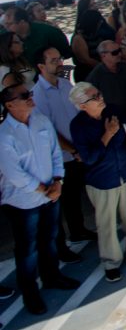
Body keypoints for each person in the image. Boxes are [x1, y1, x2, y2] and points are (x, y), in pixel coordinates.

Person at [0, 83, 82, 314]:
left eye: (30, 94)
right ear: (9, 105)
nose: (30, 98)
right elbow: (14, 173)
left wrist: (58, 180)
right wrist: (44, 189)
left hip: (50, 194)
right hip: (23, 202)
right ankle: (30, 293)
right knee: (27, 249)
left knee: (50, 239)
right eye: (24, 96)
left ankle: (52, 276)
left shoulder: (41, 121)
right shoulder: (4, 135)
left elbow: (56, 153)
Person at [68, 83, 126, 281]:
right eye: (94, 97)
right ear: (82, 106)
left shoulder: (113, 111)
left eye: (99, 93)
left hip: (125, 173)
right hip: (101, 181)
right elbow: (89, 158)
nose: (100, 98)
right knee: (106, 223)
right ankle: (111, 261)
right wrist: (107, 134)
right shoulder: (78, 126)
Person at [33, 47, 95, 252]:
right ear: (41, 66)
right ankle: (60, 246)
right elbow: (48, 130)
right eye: (53, 60)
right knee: (58, 203)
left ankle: (78, 231)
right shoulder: (39, 94)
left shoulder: (65, 84)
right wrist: (73, 150)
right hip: (60, 157)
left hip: (76, 151)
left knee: (74, 198)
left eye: (59, 59)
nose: (59, 63)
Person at [86, 41, 126, 125]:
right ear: (103, 55)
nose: (119, 54)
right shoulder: (95, 76)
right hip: (113, 120)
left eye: (120, 50)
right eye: (115, 52)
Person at [2, 6, 72, 69]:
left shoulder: (49, 32)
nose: (6, 27)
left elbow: (66, 53)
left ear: (22, 22)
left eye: (9, 24)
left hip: (48, 75)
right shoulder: (3, 35)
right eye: (5, 24)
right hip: (18, 76)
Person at [70, 9, 111, 83]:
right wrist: (104, 67)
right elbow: (86, 59)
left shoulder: (95, 34)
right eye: (99, 22)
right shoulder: (79, 38)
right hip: (87, 72)